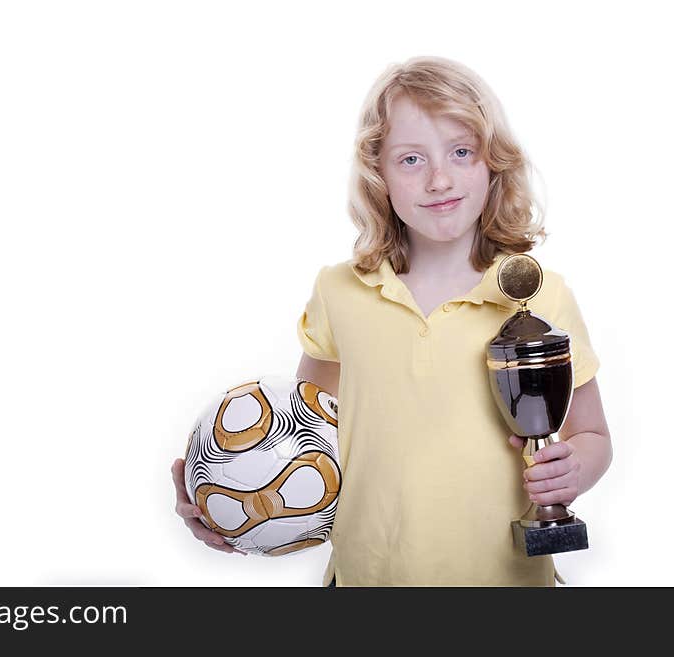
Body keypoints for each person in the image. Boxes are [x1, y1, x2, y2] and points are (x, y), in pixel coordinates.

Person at [171, 56, 612, 586]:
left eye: (461, 151)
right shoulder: (340, 292)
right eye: (410, 160)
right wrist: (230, 498)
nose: (439, 178)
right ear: (377, 174)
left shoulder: (541, 296)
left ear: (492, 162)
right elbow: (306, 439)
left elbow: (591, 433)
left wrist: (575, 470)